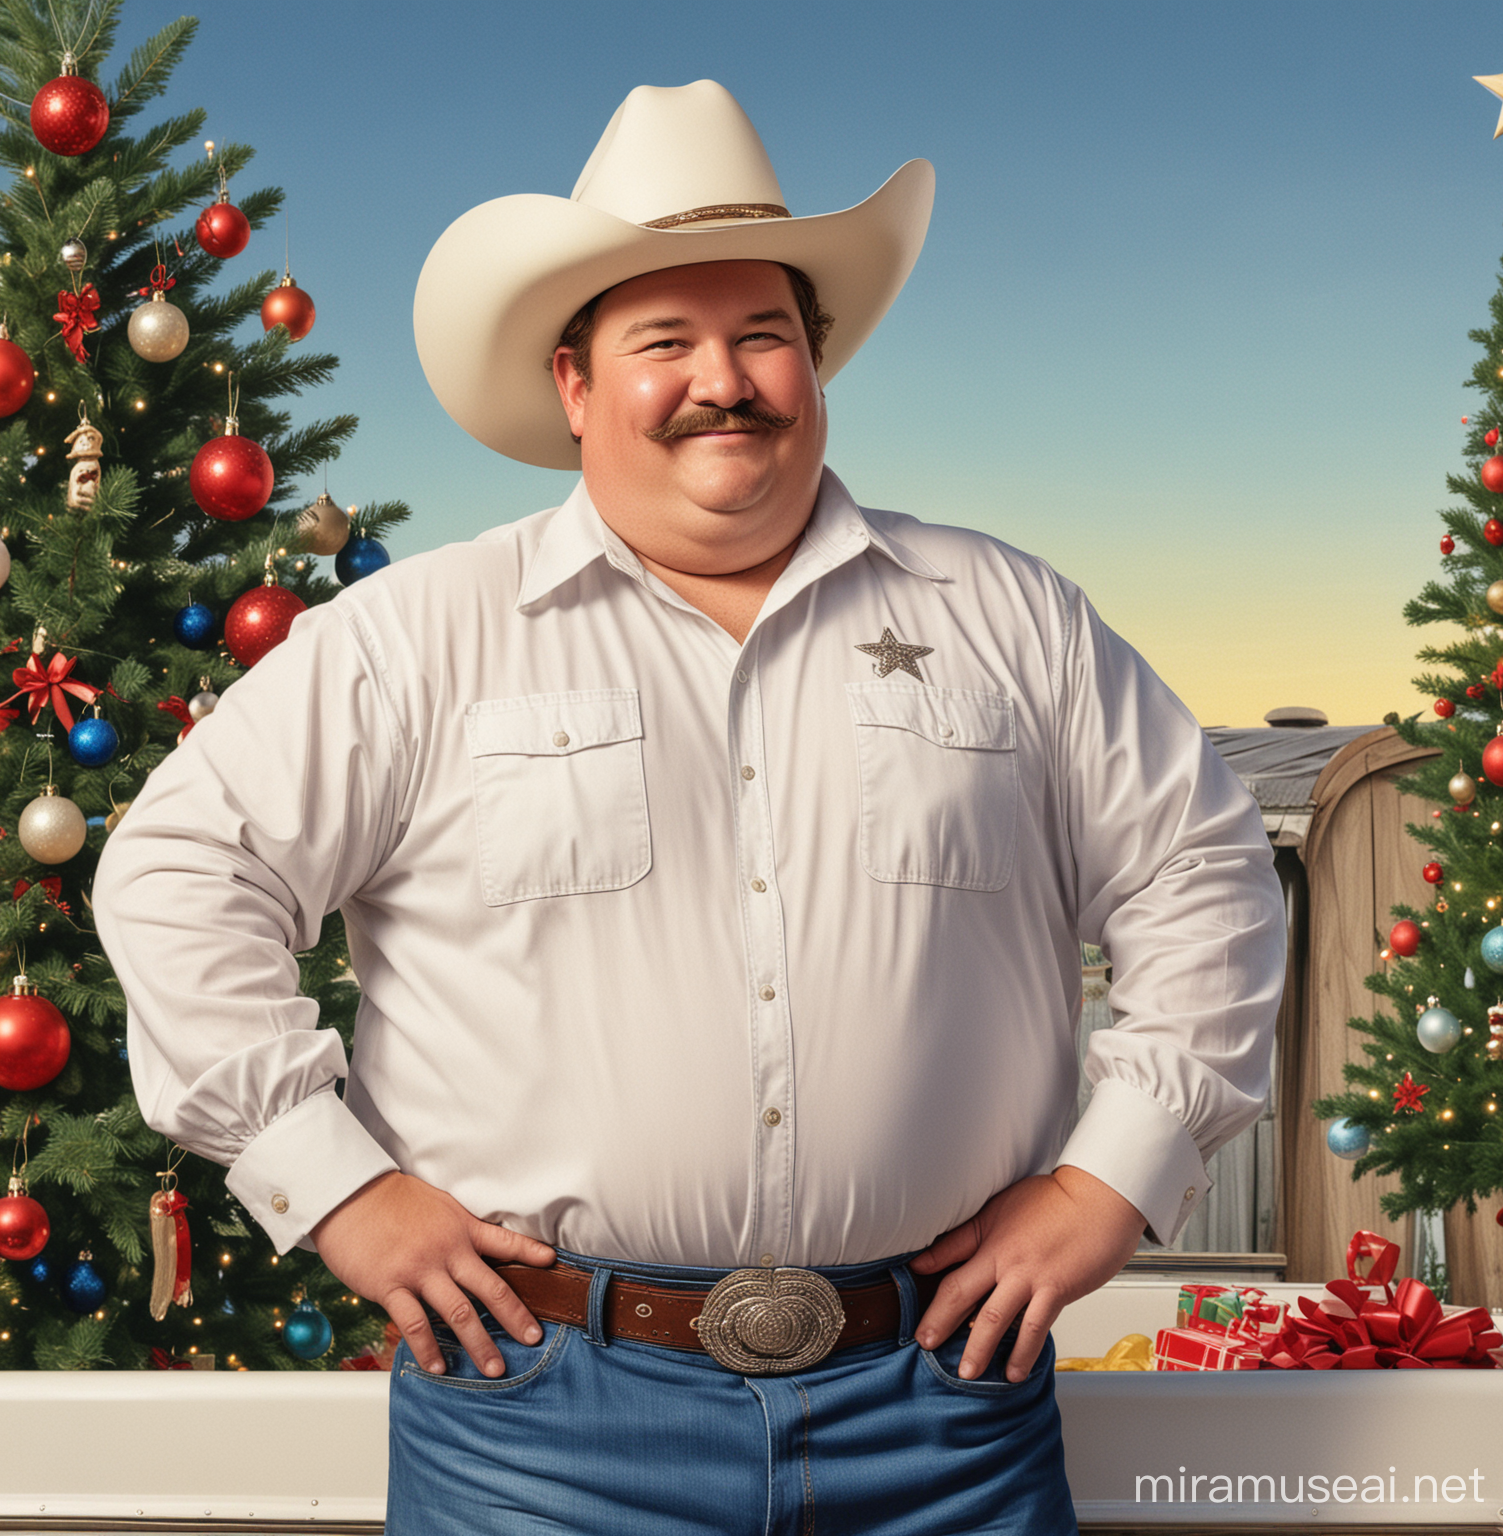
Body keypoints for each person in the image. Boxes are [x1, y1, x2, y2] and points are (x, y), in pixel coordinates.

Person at [95, 81, 1287, 1534]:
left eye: (764, 336)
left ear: (817, 362)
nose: (723, 379)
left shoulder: (1008, 614)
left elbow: (1204, 873)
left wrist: (1117, 1175)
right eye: (664, 341)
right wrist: (328, 1184)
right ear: (576, 384)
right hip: (535, 1417)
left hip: (948, 1402)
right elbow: (176, 871)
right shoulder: (419, 636)